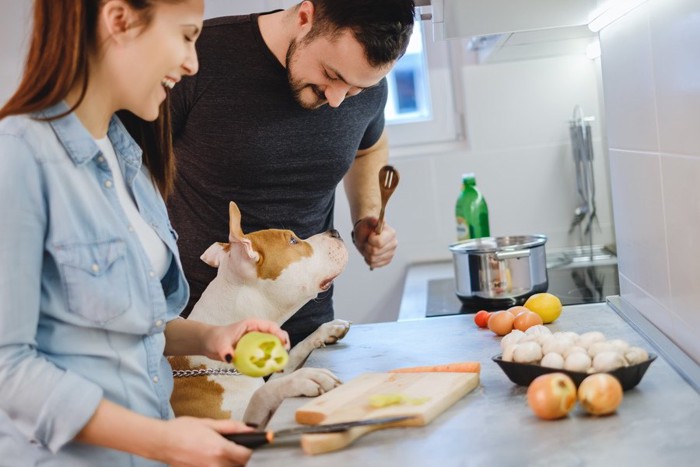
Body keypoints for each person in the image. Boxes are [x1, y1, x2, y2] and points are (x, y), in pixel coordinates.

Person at [0, 1, 288, 465]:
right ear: (120, 19)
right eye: (187, 35)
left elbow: (128, 325)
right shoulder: (16, 157)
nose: (193, 62)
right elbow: (7, 368)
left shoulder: (128, 156)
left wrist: (212, 337)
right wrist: (161, 440)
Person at [168, 0, 415, 346]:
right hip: (200, 331)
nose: (337, 100)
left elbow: (369, 146)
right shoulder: (198, 57)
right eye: (331, 75)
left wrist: (367, 217)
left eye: (356, 90)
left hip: (307, 328)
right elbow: (129, 167)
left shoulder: (363, 81)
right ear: (305, 18)